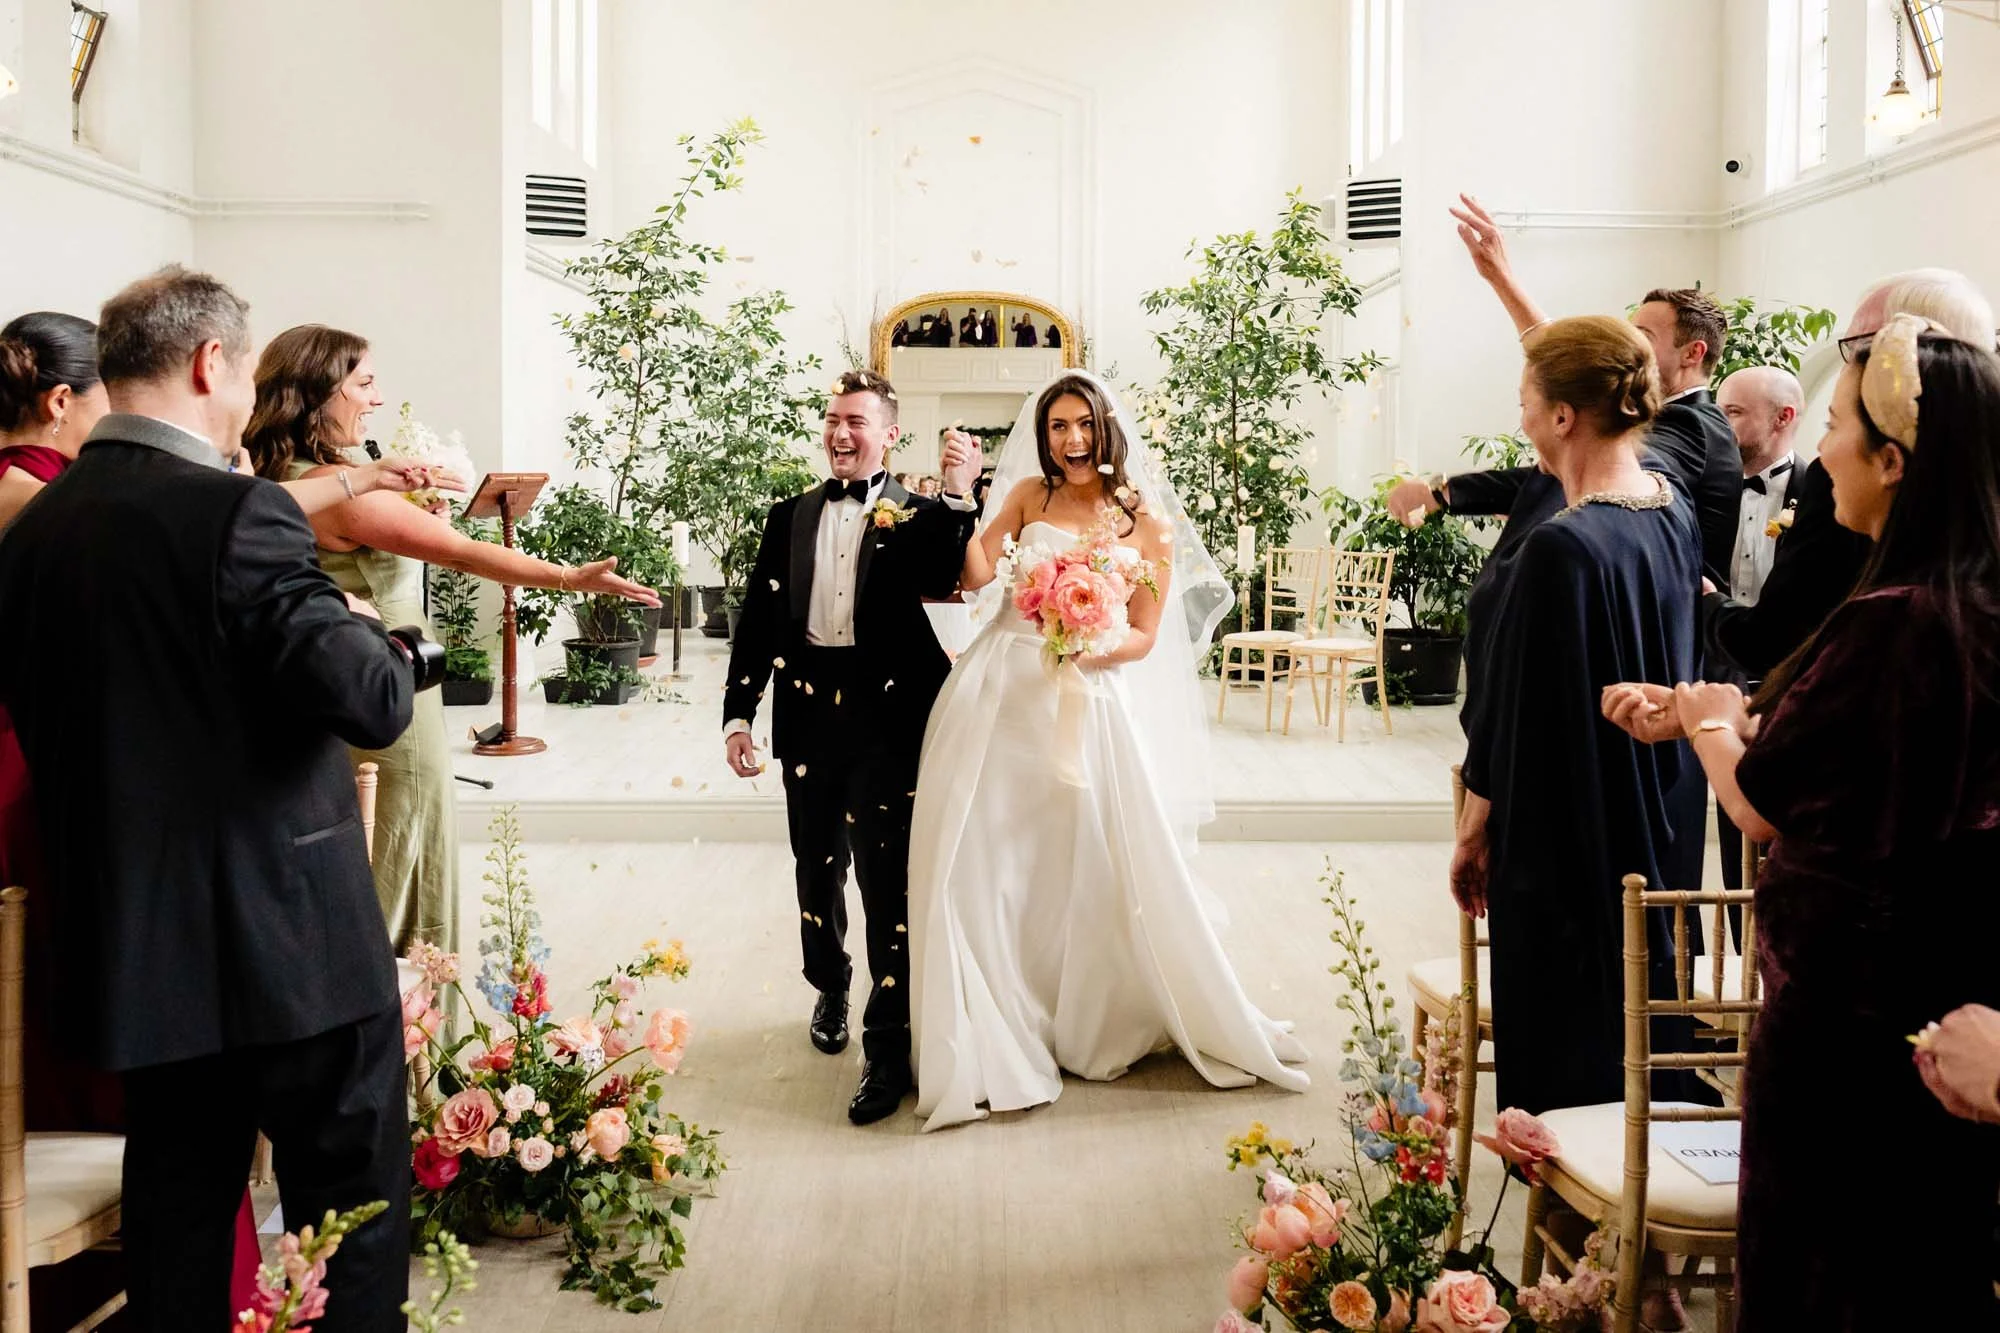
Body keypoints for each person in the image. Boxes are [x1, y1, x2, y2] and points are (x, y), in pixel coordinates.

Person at [0, 266, 422, 1330]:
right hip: (291, 952)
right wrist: (395, 639)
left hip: (137, 951)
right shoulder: (238, 517)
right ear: (207, 363)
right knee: (352, 1223)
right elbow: (369, 700)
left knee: (180, 1230)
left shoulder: (35, 531)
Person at [1604, 315, 2000, 1327]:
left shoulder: (1896, 620)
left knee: (1822, 1277)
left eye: (1835, 428)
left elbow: (1763, 805)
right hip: (1938, 1009)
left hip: (1845, 1027)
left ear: (1893, 461)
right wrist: (1716, 717)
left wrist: (1704, 725)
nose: (1820, 455)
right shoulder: (1968, 611)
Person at [909, 371, 1309, 1132]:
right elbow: (976, 575)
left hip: (1086, 699)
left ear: (1106, 428)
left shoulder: (1144, 520)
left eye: (1082, 424)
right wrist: (963, 491)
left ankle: (1080, 1016)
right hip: (1001, 691)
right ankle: (1000, 1014)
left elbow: (1148, 633)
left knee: (1082, 863)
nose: (1071, 440)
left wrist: (1088, 643)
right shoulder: (1027, 495)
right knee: (988, 860)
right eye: (1057, 426)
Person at [245, 324, 656, 960]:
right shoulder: (339, 493)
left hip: (362, 670)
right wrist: (570, 577)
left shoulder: (305, 477)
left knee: (394, 833)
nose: (377, 399)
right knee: (403, 840)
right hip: (388, 679)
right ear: (318, 394)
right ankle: (403, 1012)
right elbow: (466, 553)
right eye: (365, 383)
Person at [1450, 317, 1706, 1117]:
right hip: (1656, 817)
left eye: (1527, 401)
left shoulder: (1560, 548)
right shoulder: (1671, 510)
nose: (1522, 418)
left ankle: (1585, 1222)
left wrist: (1472, 827)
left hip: (1566, 838)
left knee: (1571, 1061)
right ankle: (1622, 1229)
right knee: (1631, 1032)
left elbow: (1511, 712)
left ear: (1563, 415)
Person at [721, 369, 981, 1125]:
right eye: (833, 419)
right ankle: (830, 985)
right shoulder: (789, 515)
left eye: (857, 422)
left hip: (886, 720)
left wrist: (960, 493)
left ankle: (887, 1047)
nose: (841, 433)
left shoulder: (921, 513)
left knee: (885, 884)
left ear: (888, 434)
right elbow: (758, 623)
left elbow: (945, 568)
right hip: (805, 717)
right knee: (816, 868)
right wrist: (740, 715)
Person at [1389, 197, 1742, 592]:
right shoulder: (1670, 416)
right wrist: (1500, 278)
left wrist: (1444, 491)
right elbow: (1578, 370)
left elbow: (1596, 464)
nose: (1628, 351)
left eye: (1641, 339)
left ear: (1694, 353)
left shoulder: (1691, 425)